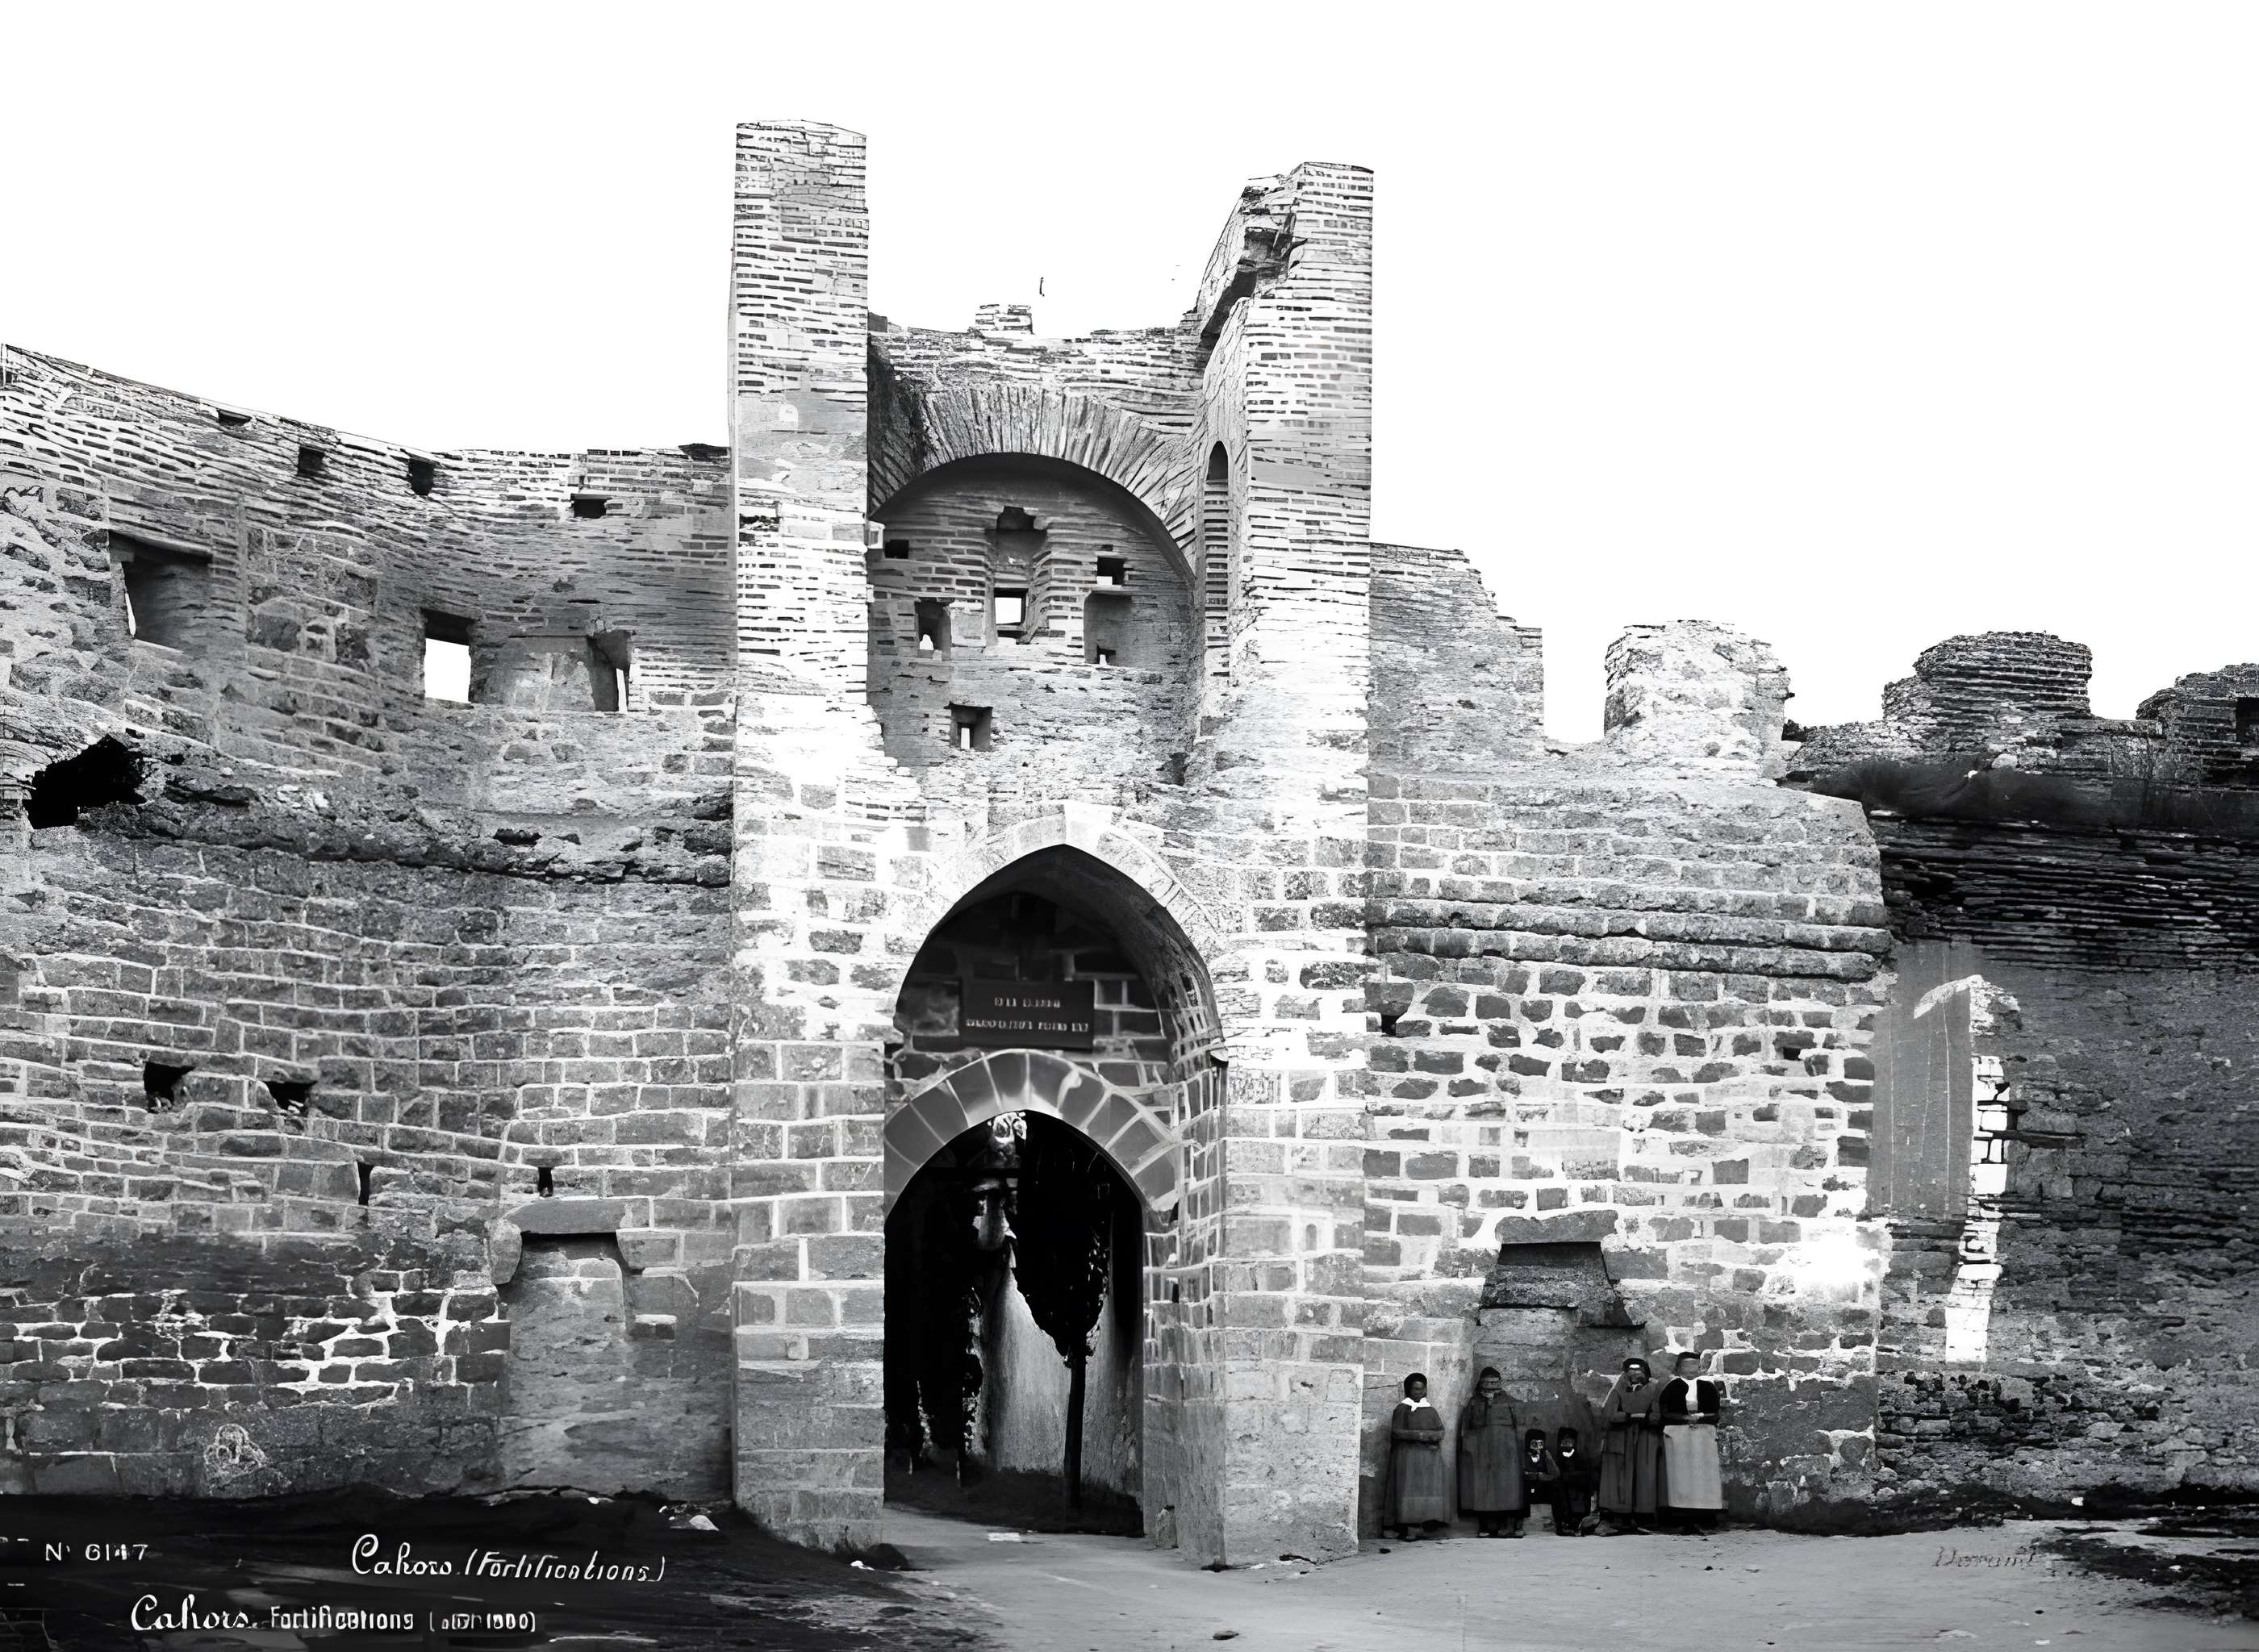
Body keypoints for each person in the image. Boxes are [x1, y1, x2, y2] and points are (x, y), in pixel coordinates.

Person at [1659, 1350, 1725, 1531]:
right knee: (1682, 1475)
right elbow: (1665, 1412)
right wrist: (1684, 1418)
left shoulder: (1707, 1387)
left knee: (1703, 1474)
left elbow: (1715, 1412)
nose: (1691, 1369)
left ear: (1700, 1367)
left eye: (1694, 1365)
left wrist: (1702, 1416)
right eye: (1687, 1365)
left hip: (1703, 1435)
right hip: (1679, 1435)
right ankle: (1682, 1515)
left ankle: (1705, 1515)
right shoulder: (1672, 1387)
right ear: (1679, 1367)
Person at [1596, 1355, 1663, 1532]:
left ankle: (1643, 1517)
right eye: (1631, 1369)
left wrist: (1642, 1418)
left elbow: (1657, 1416)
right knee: (1618, 1478)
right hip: (1620, 1437)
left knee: (1645, 1476)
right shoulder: (1619, 1387)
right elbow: (1609, 1413)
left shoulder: (1654, 1388)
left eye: (1639, 1369)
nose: (1635, 1373)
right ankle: (1618, 1516)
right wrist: (1630, 1416)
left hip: (1645, 1438)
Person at [1456, 1366, 1524, 1537]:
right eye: (1487, 1382)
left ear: (1500, 1383)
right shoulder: (1473, 1403)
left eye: (1494, 1382)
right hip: (1482, 1452)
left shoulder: (1510, 1402)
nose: (1491, 1386)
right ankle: (1485, 1526)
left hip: (1506, 1452)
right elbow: (1466, 1428)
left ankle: (1506, 1525)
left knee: (1506, 1488)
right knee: (1482, 1489)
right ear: (1481, 1383)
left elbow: (1520, 1427)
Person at [1386, 1372, 1447, 1540]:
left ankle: (1420, 1525)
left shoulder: (1431, 1410)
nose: (1420, 1392)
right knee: (1407, 1490)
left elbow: (1441, 1432)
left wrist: (1428, 1436)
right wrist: (1422, 1435)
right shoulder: (1402, 1409)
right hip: (1408, 1458)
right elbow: (1397, 1432)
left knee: (1423, 1491)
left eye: (1422, 1389)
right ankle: (1410, 1527)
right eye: (1416, 1389)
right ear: (1409, 1390)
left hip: (1427, 1459)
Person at [1549, 1424, 1596, 1536]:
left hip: (1576, 1488)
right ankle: (1563, 1522)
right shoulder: (1557, 1457)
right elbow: (1556, 1473)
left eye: (1570, 1442)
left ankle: (1578, 1521)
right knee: (1558, 1487)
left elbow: (1584, 1472)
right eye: (1565, 1442)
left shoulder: (1578, 1457)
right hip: (1563, 1487)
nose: (1567, 1445)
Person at [1518, 1429, 1560, 1536]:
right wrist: (1537, 1476)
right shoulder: (1523, 1455)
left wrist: (1548, 1459)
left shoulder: (1544, 1455)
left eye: (1540, 1444)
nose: (1537, 1447)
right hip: (1528, 1485)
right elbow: (1521, 1473)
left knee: (1556, 1486)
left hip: (1541, 1486)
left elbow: (1556, 1474)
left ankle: (1559, 1522)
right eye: (1534, 1444)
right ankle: (1519, 1523)